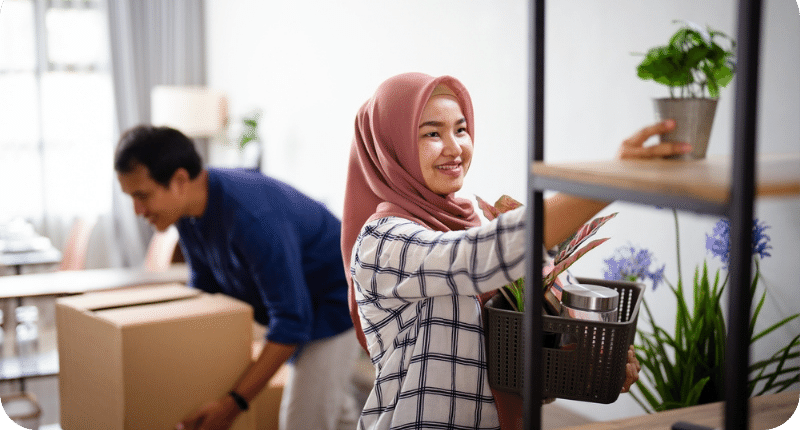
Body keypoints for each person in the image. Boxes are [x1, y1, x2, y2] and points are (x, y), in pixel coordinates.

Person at [341, 72, 691, 429]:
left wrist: (595, 361)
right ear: (392, 146)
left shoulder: (470, 221)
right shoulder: (383, 242)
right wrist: (609, 180)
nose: (454, 147)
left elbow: (513, 360)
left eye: (461, 130)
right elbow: (477, 256)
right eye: (432, 133)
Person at [114, 125, 360, 430]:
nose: (137, 210)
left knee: (301, 422)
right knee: (332, 407)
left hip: (336, 302)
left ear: (179, 181)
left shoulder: (252, 217)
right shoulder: (188, 213)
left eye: (142, 196)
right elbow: (208, 294)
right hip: (295, 306)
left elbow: (292, 322)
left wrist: (233, 405)